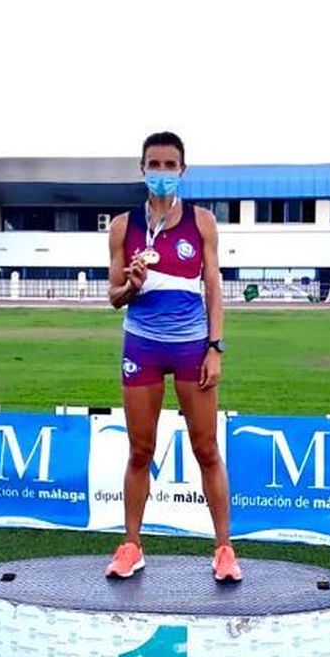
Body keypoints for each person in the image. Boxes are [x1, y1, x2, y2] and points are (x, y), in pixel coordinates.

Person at [105, 131, 240, 583]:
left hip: (190, 348)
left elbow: (214, 289)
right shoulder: (122, 226)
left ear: (182, 170)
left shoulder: (202, 221)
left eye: (169, 165)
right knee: (140, 450)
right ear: (142, 169)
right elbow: (113, 296)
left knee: (206, 449)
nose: (161, 172)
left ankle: (224, 550)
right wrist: (132, 285)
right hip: (141, 346)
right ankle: (131, 546)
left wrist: (215, 347)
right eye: (154, 164)